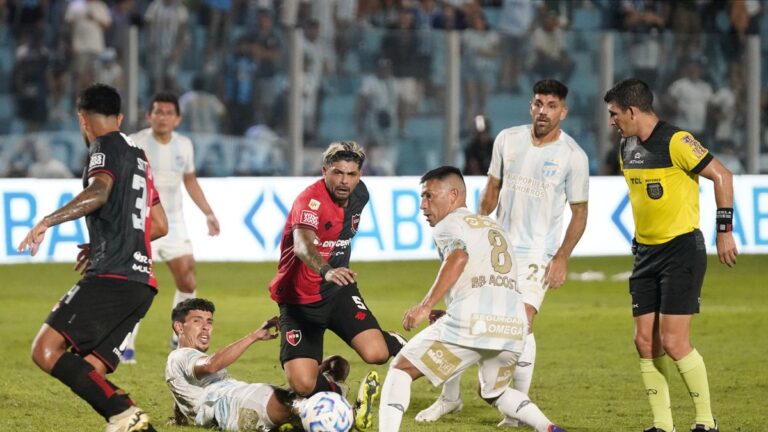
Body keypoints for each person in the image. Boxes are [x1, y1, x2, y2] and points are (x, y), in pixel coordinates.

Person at [417, 79, 589, 426]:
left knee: (521, 323)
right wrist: (476, 227)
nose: (543, 111)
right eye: (538, 103)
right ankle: (449, 398)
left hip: (537, 254)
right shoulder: (507, 139)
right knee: (461, 314)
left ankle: (515, 411)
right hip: (499, 248)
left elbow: (580, 212)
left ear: (563, 112)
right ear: (530, 106)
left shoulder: (573, 156)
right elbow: (492, 189)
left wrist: (562, 257)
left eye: (551, 105)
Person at [17, 83, 168, 432]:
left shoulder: (104, 145)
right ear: (120, 117)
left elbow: (99, 191)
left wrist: (47, 221)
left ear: (82, 119)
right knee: (90, 371)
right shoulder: (140, 157)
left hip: (112, 276)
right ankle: (135, 423)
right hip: (141, 283)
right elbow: (160, 224)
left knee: (45, 350)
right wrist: (112, 238)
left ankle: (127, 414)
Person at [377, 166, 566, 432]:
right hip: (513, 328)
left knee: (401, 369)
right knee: (495, 392)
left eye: (429, 196)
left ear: (453, 195)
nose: (422, 205)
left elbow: (459, 257)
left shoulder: (448, 224)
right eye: (422, 197)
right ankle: (548, 427)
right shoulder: (494, 226)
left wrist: (426, 306)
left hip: (472, 324)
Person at [603, 78, 738, 432]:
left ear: (632, 111)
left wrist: (724, 231)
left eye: (614, 114)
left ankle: (706, 422)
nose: (611, 121)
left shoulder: (677, 141)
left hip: (681, 251)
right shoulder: (626, 147)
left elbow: (722, 176)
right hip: (645, 253)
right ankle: (662, 425)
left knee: (675, 342)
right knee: (644, 341)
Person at [268, 140, 406, 431]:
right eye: (338, 173)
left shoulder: (360, 195)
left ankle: (389, 340)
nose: (345, 181)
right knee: (302, 384)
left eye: (351, 174)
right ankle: (335, 388)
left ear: (360, 175)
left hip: (338, 291)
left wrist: (334, 274)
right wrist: (326, 270)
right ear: (324, 171)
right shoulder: (309, 201)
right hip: (299, 301)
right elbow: (303, 245)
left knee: (377, 355)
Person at [126, 92, 221, 361]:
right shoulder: (135, 143)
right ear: (149, 116)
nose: (163, 117)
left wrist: (208, 212)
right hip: (143, 222)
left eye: (169, 113)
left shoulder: (184, 145)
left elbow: (189, 180)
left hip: (175, 223)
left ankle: (180, 338)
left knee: (187, 280)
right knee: (136, 283)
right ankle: (125, 345)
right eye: (158, 112)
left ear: (177, 119)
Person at [166, 297, 351, 431]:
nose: (206, 327)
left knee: (335, 365)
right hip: (233, 403)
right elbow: (210, 365)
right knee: (297, 404)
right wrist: (254, 336)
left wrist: (179, 417)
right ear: (179, 327)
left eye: (209, 321)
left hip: (239, 400)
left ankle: (330, 399)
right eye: (197, 321)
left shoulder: (179, 363)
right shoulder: (181, 355)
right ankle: (347, 413)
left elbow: (185, 390)